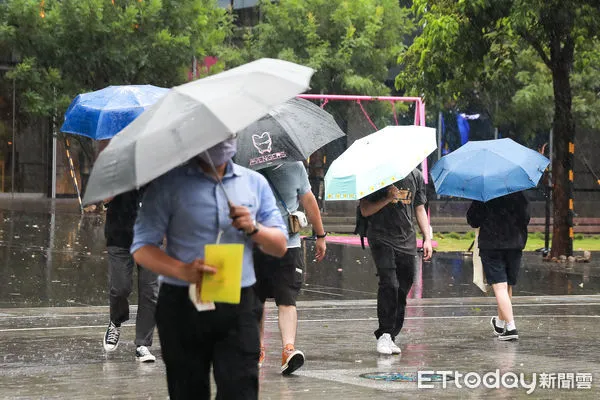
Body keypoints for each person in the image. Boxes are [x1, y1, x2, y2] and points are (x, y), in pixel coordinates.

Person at [131, 138, 288, 400]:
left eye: (228, 135)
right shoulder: (168, 185)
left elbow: (280, 246)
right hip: (183, 304)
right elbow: (142, 247)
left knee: (241, 389)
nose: (222, 142)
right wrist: (182, 270)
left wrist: (254, 228)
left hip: (238, 302)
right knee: (187, 390)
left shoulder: (254, 183)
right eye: (214, 136)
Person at [254, 161, 327, 375]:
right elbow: (309, 201)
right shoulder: (243, 166)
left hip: (285, 245)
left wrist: (320, 234)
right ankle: (258, 349)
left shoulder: (243, 163)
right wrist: (320, 235)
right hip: (259, 244)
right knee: (258, 299)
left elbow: (309, 201)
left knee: (283, 298)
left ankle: (288, 349)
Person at [359, 168, 432, 355]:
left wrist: (427, 238)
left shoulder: (415, 176)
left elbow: (419, 208)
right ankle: (384, 333)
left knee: (402, 288)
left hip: (406, 240)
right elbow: (365, 210)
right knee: (389, 283)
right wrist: (387, 198)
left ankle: (391, 335)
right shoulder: (376, 174)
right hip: (381, 237)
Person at [100, 140, 158, 363]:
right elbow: (104, 198)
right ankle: (116, 320)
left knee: (149, 292)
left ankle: (143, 345)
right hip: (119, 235)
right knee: (120, 288)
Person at [466, 191, 530, 341]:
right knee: (507, 286)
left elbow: (473, 220)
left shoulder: (484, 193)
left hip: (492, 244)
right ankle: (500, 324)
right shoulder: (518, 192)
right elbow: (526, 218)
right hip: (515, 244)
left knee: (499, 287)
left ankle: (511, 327)